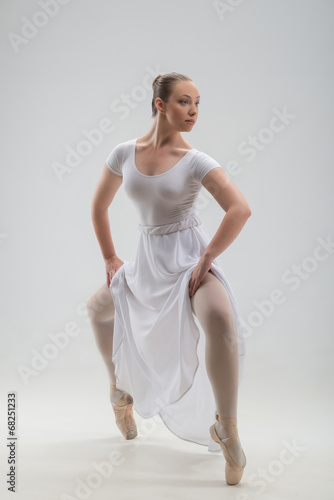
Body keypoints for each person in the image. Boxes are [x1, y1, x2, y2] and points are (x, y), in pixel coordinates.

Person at [87, 72, 251, 485]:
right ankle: (119, 391)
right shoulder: (125, 153)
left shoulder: (196, 160)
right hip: (146, 264)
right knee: (97, 308)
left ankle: (227, 428)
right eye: (183, 101)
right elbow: (99, 206)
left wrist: (207, 256)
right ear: (159, 104)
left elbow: (239, 209)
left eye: (197, 102)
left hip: (187, 263)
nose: (193, 111)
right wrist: (110, 257)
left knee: (220, 321)